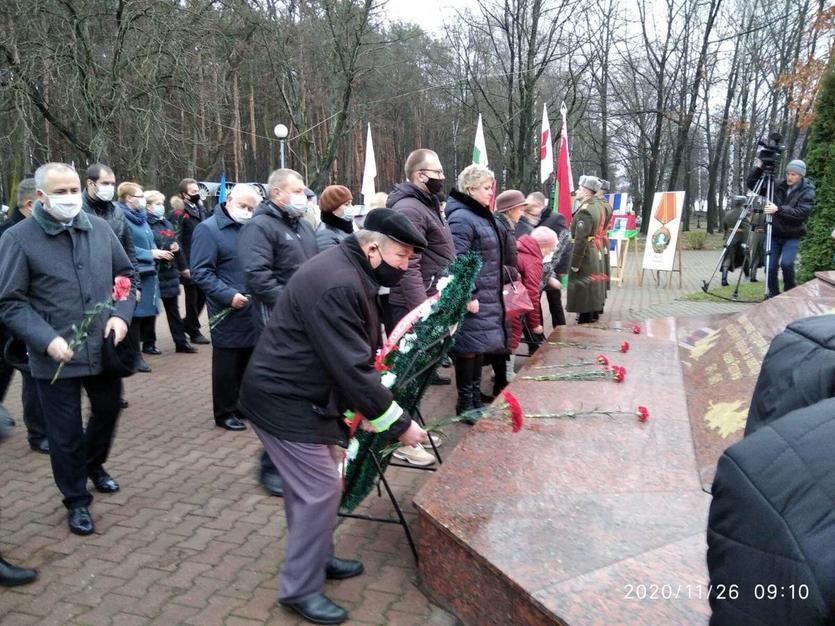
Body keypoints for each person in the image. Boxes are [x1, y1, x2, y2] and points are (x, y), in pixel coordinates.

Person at [238, 208, 429, 625]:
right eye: (401, 257)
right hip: (284, 400)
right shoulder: (339, 282)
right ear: (374, 248)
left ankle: (318, 555)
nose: (404, 267)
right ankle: (299, 589)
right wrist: (399, 425)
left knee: (311, 485)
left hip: (302, 396)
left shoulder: (349, 269)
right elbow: (352, 367)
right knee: (321, 489)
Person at [0, 163, 136, 536]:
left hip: (103, 347)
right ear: (40, 197)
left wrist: (121, 316)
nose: (70, 197)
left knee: (107, 411)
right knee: (65, 433)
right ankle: (76, 499)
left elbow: (125, 276)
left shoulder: (101, 229)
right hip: (55, 357)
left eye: (73, 189)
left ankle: (93, 464)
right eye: (60, 192)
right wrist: (46, 338)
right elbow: (10, 302)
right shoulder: (18, 238)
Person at [239, 168, 318, 496]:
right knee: (281, 392)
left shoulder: (303, 226)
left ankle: (291, 457)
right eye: (297, 190)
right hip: (279, 321)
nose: (304, 196)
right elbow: (257, 275)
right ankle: (271, 464)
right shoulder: (260, 227)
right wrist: (291, 304)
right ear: (277, 194)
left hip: (308, 320)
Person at [386, 149, 456, 406]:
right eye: (437, 172)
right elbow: (408, 266)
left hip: (430, 297)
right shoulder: (410, 209)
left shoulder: (429, 204)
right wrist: (422, 312)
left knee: (418, 376)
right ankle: (399, 438)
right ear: (420, 175)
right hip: (414, 305)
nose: (442, 176)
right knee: (406, 378)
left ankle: (406, 431)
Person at [191, 184, 260, 432]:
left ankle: (242, 405)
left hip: (252, 306)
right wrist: (228, 295)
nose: (247, 212)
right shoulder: (208, 229)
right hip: (227, 308)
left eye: (252, 208)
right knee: (227, 363)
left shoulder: (251, 228)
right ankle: (224, 411)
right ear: (228, 200)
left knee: (247, 359)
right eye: (243, 206)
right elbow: (201, 271)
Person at [445, 164, 505, 420]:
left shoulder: (478, 214)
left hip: (487, 293)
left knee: (478, 347)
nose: (491, 192)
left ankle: (474, 397)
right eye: (486, 188)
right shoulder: (461, 217)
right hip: (475, 297)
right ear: (470, 189)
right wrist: (468, 294)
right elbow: (457, 260)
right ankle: (465, 404)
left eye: (491, 187)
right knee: (467, 349)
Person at [0, 178, 49, 453]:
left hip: (25, 318)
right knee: (27, 375)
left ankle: (39, 431)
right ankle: (39, 433)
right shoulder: (12, 234)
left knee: (31, 375)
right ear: (31, 204)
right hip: (12, 319)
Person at [746, 159, 815, 297]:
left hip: (792, 235)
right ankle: (774, 296)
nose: (789, 177)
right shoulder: (776, 185)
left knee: (787, 264)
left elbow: (801, 213)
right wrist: (759, 167)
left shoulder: (808, 191)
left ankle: (790, 294)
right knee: (770, 268)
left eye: (794, 174)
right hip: (773, 234)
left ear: (801, 175)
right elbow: (753, 185)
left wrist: (778, 209)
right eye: (788, 173)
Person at [117, 182, 165, 372]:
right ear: (128, 198)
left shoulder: (141, 218)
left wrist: (156, 251)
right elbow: (124, 246)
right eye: (140, 196)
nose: (143, 200)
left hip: (148, 272)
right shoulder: (120, 217)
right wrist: (149, 254)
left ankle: (142, 349)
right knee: (133, 316)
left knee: (144, 315)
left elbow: (149, 239)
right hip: (131, 272)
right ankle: (133, 357)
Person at [144, 190, 196, 354]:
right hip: (154, 272)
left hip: (169, 272)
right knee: (151, 309)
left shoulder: (165, 222)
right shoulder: (144, 224)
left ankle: (181, 342)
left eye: (162, 203)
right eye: (157, 204)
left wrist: (183, 267)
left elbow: (176, 243)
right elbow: (147, 246)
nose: (161, 207)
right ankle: (148, 343)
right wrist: (164, 248)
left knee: (173, 309)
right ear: (148, 206)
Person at [487, 189, 526, 395]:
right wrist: (513, 272)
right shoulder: (499, 228)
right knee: (501, 335)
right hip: (498, 288)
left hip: (502, 287)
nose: (522, 212)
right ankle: (499, 383)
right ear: (510, 210)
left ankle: (500, 380)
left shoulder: (506, 226)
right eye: (520, 208)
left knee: (504, 335)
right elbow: (493, 262)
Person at [173, 178, 210, 345]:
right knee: (192, 295)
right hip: (188, 260)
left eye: (197, 191)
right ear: (184, 195)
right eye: (193, 192)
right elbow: (176, 239)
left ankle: (187, 323)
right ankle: (193, 330)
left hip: (202, 258)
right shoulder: (179, 212)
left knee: (202, 294)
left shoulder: (201, 208)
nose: (197, 194)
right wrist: (182, 265)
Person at [566, 176, 606, 324]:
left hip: (585, 253)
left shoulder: (585, 211)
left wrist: (575, 262)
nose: (577, 191)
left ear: (587, 191)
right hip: (592, 250)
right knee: (590, 287)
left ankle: (585, 318)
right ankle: (590, 315)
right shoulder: (595, 206)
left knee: (583, 289)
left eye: (580, 188)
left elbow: (580, 239)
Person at [511, 227, 557, 354]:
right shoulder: (533, 261)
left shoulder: (519, 247)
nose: (550, 253)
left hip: (503, 295)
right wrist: (535, 324)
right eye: (550, 249)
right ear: (544, 246)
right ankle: (506, 372)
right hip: (513, 301)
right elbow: (532, 294)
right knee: (513, 334)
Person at [537, 211, 571, 328]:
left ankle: (560, 330)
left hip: (553, 268)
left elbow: (565, 242)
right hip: (537, 268)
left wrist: (562, 269)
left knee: (555, 302)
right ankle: (538, 337)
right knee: (535, 303)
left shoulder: (556, 218)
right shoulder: (529, 217)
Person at [720, 196, 749, 287]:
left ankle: (724, 279)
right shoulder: (744, 213)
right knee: (745, 257)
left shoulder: (728, 213)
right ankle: (747, 276)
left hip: (729, 237)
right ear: (743, 203)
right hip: (740, 238)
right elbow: (746, 228)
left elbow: (724, 225)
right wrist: (746, 241)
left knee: (727, 257)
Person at [315, 185, 354, 252]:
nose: (351, 207)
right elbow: (331, 260)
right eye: (347, 204)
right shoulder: (325, 235)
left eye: (351, 203)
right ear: (332, 208)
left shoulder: (346, 228)